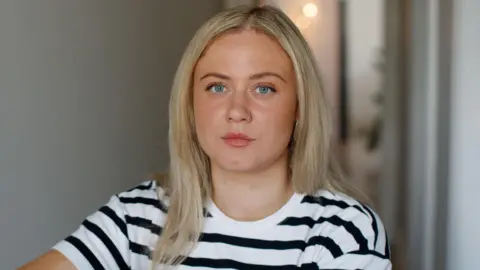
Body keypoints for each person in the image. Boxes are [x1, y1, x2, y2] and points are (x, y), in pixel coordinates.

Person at [20, 5, 392, 270]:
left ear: (299, 108)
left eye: (264, 89)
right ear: (190, 105)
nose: (237, 110)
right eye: (217, 86)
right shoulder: (138, 216)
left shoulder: (343, 231)